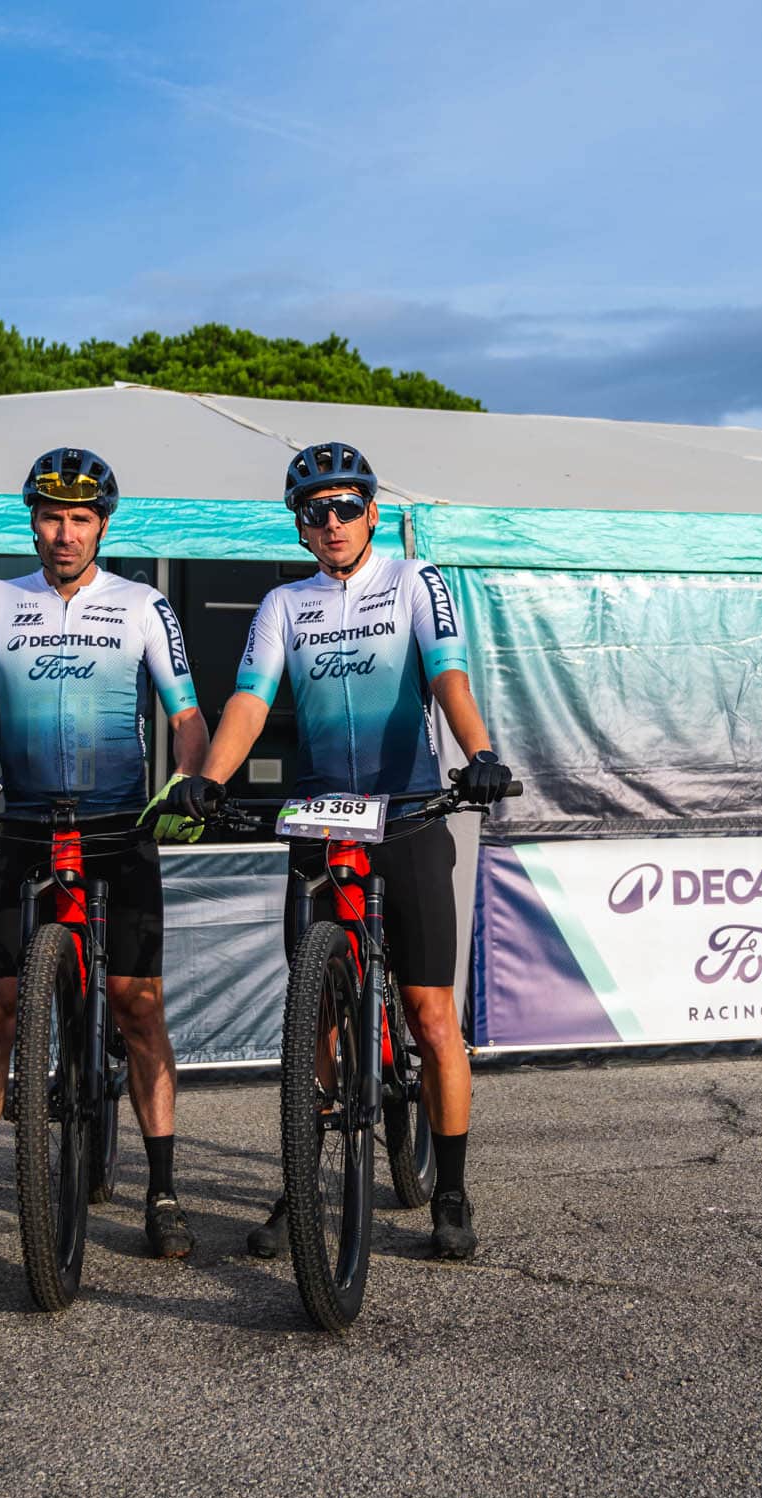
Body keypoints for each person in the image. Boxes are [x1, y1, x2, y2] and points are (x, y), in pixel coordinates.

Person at [163, 442, 513, 1260]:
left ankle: (451, 1191)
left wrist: (482, 754)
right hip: (323, 816)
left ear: (373, 514)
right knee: (313, 1013)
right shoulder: (284, 604)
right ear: (298, 526)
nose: (330, 523)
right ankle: (303, 1177)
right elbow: (250, 699)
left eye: (345, 506)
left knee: (430, 1016)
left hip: (410, 810)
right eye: (313, 511)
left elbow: (448, 673)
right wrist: (209, 779)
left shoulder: (414, 581)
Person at [0, 447, 211, 1266]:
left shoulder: (144, 604)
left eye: (80, 518)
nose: (64, 532)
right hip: (29, 827)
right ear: (32, 520)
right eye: (50, 515)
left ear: (102, 524)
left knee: (138, 1004)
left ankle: (164, 1190)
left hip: (120, 826)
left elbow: (186, 711)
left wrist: (187, 781)